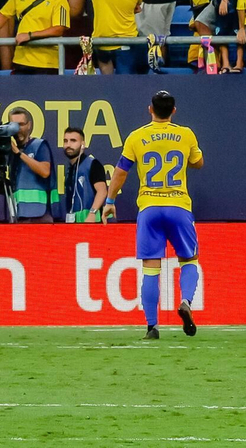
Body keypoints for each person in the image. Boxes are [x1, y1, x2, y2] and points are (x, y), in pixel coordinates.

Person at [104, 90, 203, 339]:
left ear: (150, 109)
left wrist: (110, 200)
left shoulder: (137, 137)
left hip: (148, 208)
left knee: (151, 268)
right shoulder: (185, 134)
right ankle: (186, 302)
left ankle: (152, 327)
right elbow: (198, 162)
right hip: (179, 206)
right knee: (189, 260)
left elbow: (121, 172)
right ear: (174, 111)